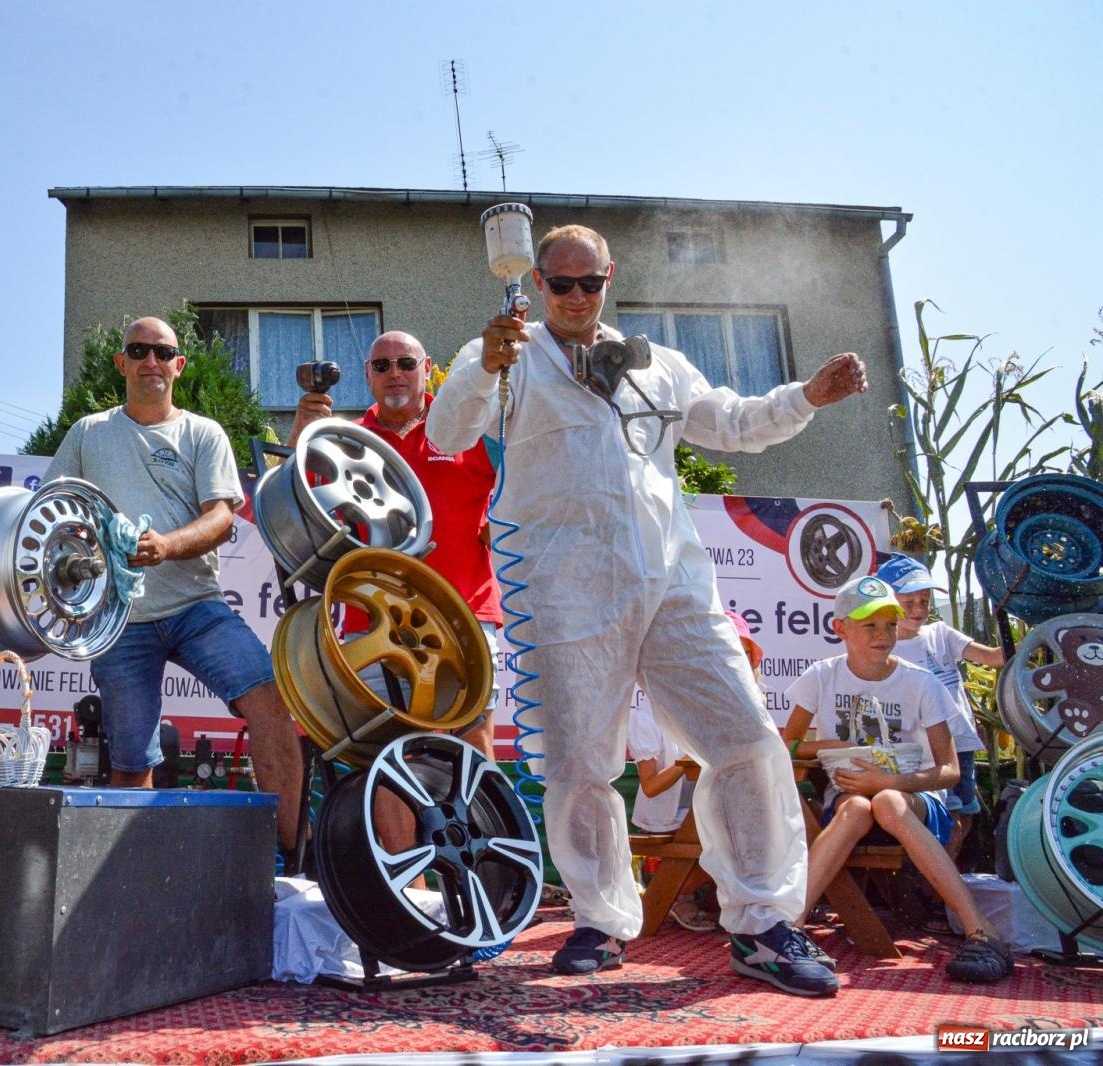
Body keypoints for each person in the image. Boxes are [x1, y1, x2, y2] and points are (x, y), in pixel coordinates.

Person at [427, 222, 868, 997]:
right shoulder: (500, 356)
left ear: (609, 279)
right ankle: (599, 921)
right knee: (578, 763)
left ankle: (763, 924)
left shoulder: (657, 363)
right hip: (562, 588)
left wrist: (807, 397)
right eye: (558, 284)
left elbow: (731, 423)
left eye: (588, 282)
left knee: (746, 736)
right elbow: (444, 430)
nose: (573, 297)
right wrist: (478, 372)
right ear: (535, 283)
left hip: (674, 584)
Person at [46, 316, 304, 851]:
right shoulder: (88, 433)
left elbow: (221, 520)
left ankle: (290, 858)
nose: (151, 361)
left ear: (178, 365)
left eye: (163, 352)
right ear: (122, 363)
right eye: (139, 350)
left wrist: (165, 546)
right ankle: (132, 882)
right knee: (129, 758)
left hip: (196, 608)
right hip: (118, 621)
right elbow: (51, 515)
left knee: (270, 704)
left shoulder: (202, 432)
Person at [782, 575, 1013, 982]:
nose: (883, 634)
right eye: (870, 625)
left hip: (915, 806)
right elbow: (788, 745)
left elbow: (949, 771)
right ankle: (790, 930)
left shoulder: (920, 681)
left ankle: (982, 931)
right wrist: (827, 745)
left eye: (890, 624)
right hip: (851, 802)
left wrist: (888, 784)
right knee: (856, 807)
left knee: (886, 803)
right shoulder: (821, 676)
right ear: (841, 628)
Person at [287, 330, 503, 760]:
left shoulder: (471, 428)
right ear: (368, 376)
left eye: (406, 363)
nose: (395, 374)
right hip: (372, 614)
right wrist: (300, 435)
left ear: (428, 370)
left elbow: (527, 492)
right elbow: (289, 504)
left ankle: (475, 830)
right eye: (382, 366)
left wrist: (501, 523)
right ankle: (393, 832)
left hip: (463, 609)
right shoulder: (343, 439)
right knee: (386, 754)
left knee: (472, 741)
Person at [629, 611, 762, 931]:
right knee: (742, 833)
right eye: (726, 652)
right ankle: (676, 894)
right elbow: (649, 787)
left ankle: (756, 906)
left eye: (743, 654)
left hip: (715, 813)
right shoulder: (648, 711)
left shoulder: (746, 704)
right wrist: (687, 759)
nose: (735, 662)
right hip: (669, 819)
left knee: (773, 824)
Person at [877, 553, 1006, 856]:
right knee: (932, 818)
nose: (919, 609)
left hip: (959, 744)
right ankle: (931, 886)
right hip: (917, 752)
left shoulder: (941, 633)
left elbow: (991, 657)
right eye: (909, 603)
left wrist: (1026, 634)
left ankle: (945, 889)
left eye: (924, 601)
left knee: (964, 815)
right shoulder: (883, 648)